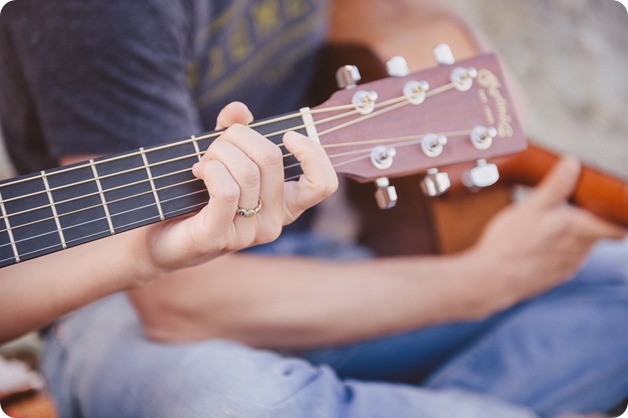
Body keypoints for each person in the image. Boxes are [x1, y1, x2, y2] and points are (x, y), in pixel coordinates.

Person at [1, 1, 627, 418]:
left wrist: (459, 48)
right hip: (101, 300)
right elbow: (178, 307)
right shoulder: (95, 12)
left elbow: (375, 11)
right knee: (245, 401)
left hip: (293, 244)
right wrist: (480, 283)